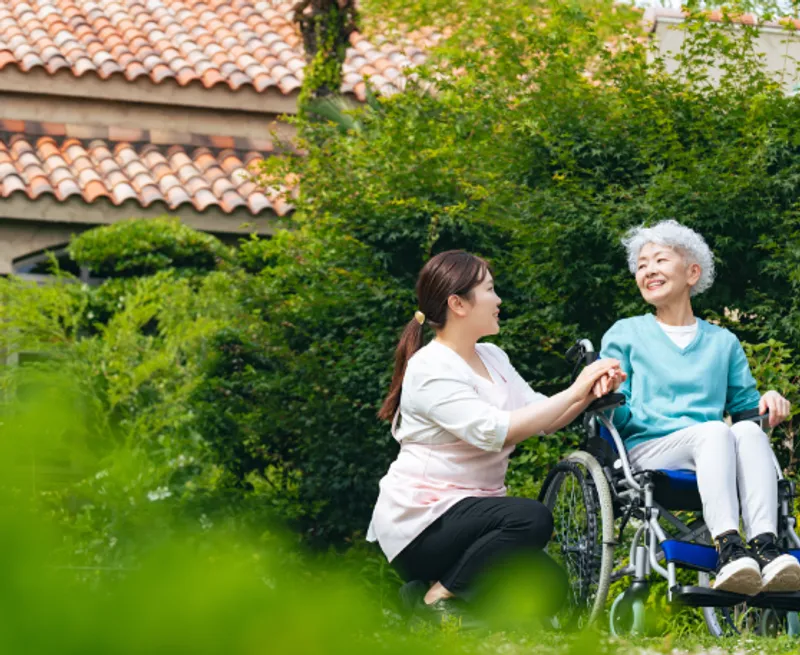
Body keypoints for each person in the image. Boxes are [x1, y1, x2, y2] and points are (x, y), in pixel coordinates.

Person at [367, 250, 625, 623]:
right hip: (422, 524)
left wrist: (590, 392)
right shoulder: (429, 368)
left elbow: (543, 417)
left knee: (548, 586)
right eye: (489, 289)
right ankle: (437, 597)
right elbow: (493, 432)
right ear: (458, 304)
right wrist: (576, 389)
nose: (498, 300)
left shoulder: (491, 356)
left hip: (475, 521)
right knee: (531, 519)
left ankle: (425, 597)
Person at [597, 219, 800, 595]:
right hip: (649, 450)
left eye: (660, 260)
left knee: (746, 430)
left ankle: (765, 547)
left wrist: (768, 401)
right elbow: (615, 418)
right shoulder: (626, 334)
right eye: (642, 265)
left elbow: (745, 411)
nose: (648, 271)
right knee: (715, 431)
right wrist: (607, 392)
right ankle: (728, 547)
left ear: (693, 273)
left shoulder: (723, 342)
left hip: (713, 451)